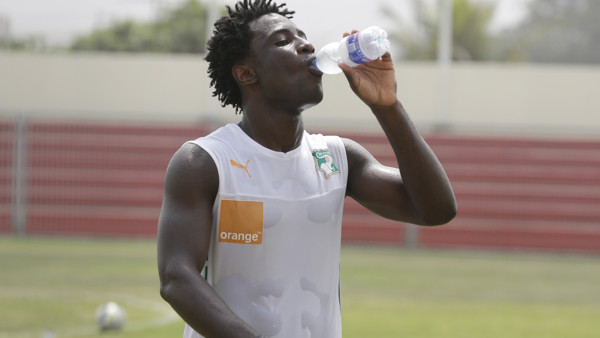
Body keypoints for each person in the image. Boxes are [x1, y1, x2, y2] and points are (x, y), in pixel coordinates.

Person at [157, 0, 456, 337]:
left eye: (304, 37)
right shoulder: (205, 161)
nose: (307, 45)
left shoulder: (339, 156)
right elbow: (177, 277)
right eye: (283, 41)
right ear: (246, 72)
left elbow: (435, 210)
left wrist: (388, 107)